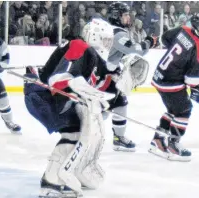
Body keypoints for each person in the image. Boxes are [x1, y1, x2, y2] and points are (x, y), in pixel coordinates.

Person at [23, 19, 149, 197]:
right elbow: (58, 78)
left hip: (51, 96)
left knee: (81, 130)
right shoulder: (80, 45)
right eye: (105, 40)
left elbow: (107, 86)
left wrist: (121, 82)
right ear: (94, 35)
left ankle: (71, 171)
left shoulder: (94, 58)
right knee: (73, 133)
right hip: (43, 95)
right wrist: (77, 83)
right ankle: (51, 182)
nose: (107, 44)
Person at [149, 12, 199, 162]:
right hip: (171, 81)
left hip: (160, 75)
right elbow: (191, 80)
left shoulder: (183, 29)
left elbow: (165, 38)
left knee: (173, 110)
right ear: (197, 27)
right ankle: (173, 145)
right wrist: (198, 88)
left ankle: (158, 140)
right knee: (184, 110)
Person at [104, 2, 158, 152]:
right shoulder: (117, 33)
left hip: (106, 74)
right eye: (126, 15)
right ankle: (82, 135)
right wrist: (149, 42)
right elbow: (136, 50)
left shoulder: (110, 30)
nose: (129, 18)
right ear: (116, 16)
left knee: (120, 103)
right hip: (105, 77)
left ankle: (118, 138)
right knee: (101, 109)